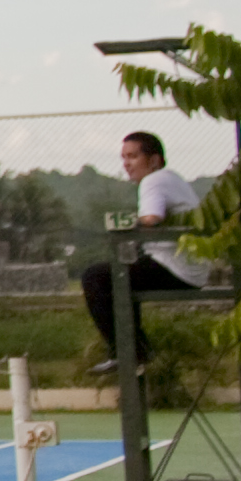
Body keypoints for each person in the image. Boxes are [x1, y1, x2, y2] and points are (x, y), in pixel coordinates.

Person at [78, 129, 203, 381]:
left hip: (175, 268)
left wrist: (130, 223)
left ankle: (126, 352)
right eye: (124, 158)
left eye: (133, 157)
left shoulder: (153, 181)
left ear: (154, 160)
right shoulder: (173, 178)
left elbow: (151, 218)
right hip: (190, 267)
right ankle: (137, 351)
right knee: (121, 276)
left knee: (94, 277)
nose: (126, 164)